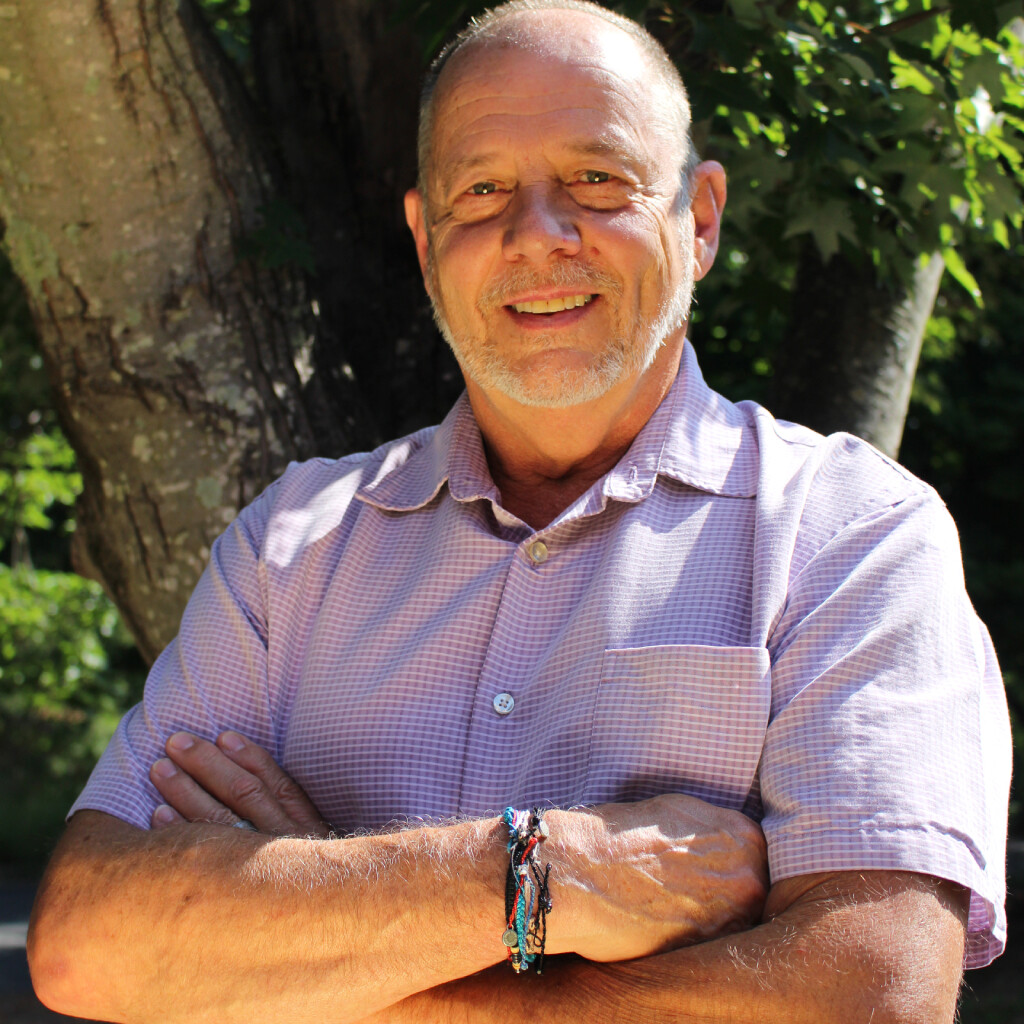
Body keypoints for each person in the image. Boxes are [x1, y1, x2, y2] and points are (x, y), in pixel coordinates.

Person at [28, 2, 1010, 1021]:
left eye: (596, 179)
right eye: (483, 188)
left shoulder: (850, 537)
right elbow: (86, 942)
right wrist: (549, 873)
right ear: (424, 240)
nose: (536, 235)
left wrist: (329, 955)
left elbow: (872, 994)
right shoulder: (291, 544)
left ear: (701, 218)